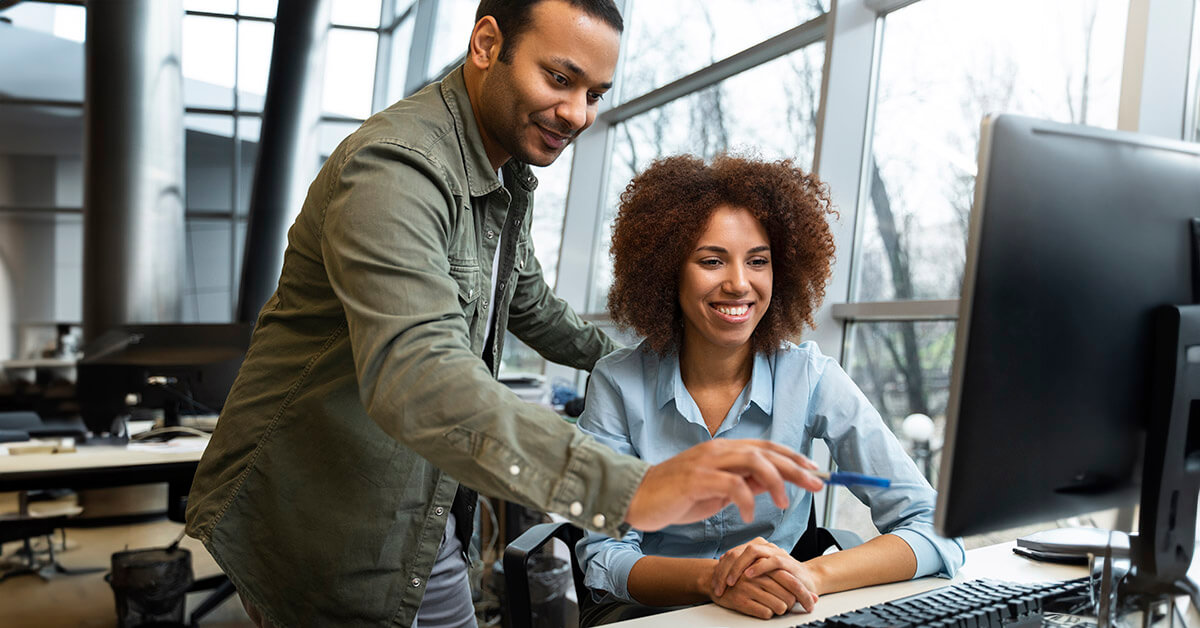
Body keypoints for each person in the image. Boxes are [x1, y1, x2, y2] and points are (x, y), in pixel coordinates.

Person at [184, 2, 823, 627]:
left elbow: (531, 304)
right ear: (487, 44)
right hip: (325, 509)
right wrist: (632, 489)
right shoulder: (397, 169)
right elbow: (417, 376)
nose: (577, 114)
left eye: (596, 93)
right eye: (559, 78)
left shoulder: (504, 172)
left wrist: (664, 366)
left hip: (417, 501)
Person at [575, 154, 966, 625]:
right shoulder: (617, 382)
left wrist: (810, 576)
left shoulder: (811, 377)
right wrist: (714, 579)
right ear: (667, 271)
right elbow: (604, 556)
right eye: (712, 260)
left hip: (776, 609)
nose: (739, 284)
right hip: (651, 612)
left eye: (757, 261)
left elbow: (932, 527)